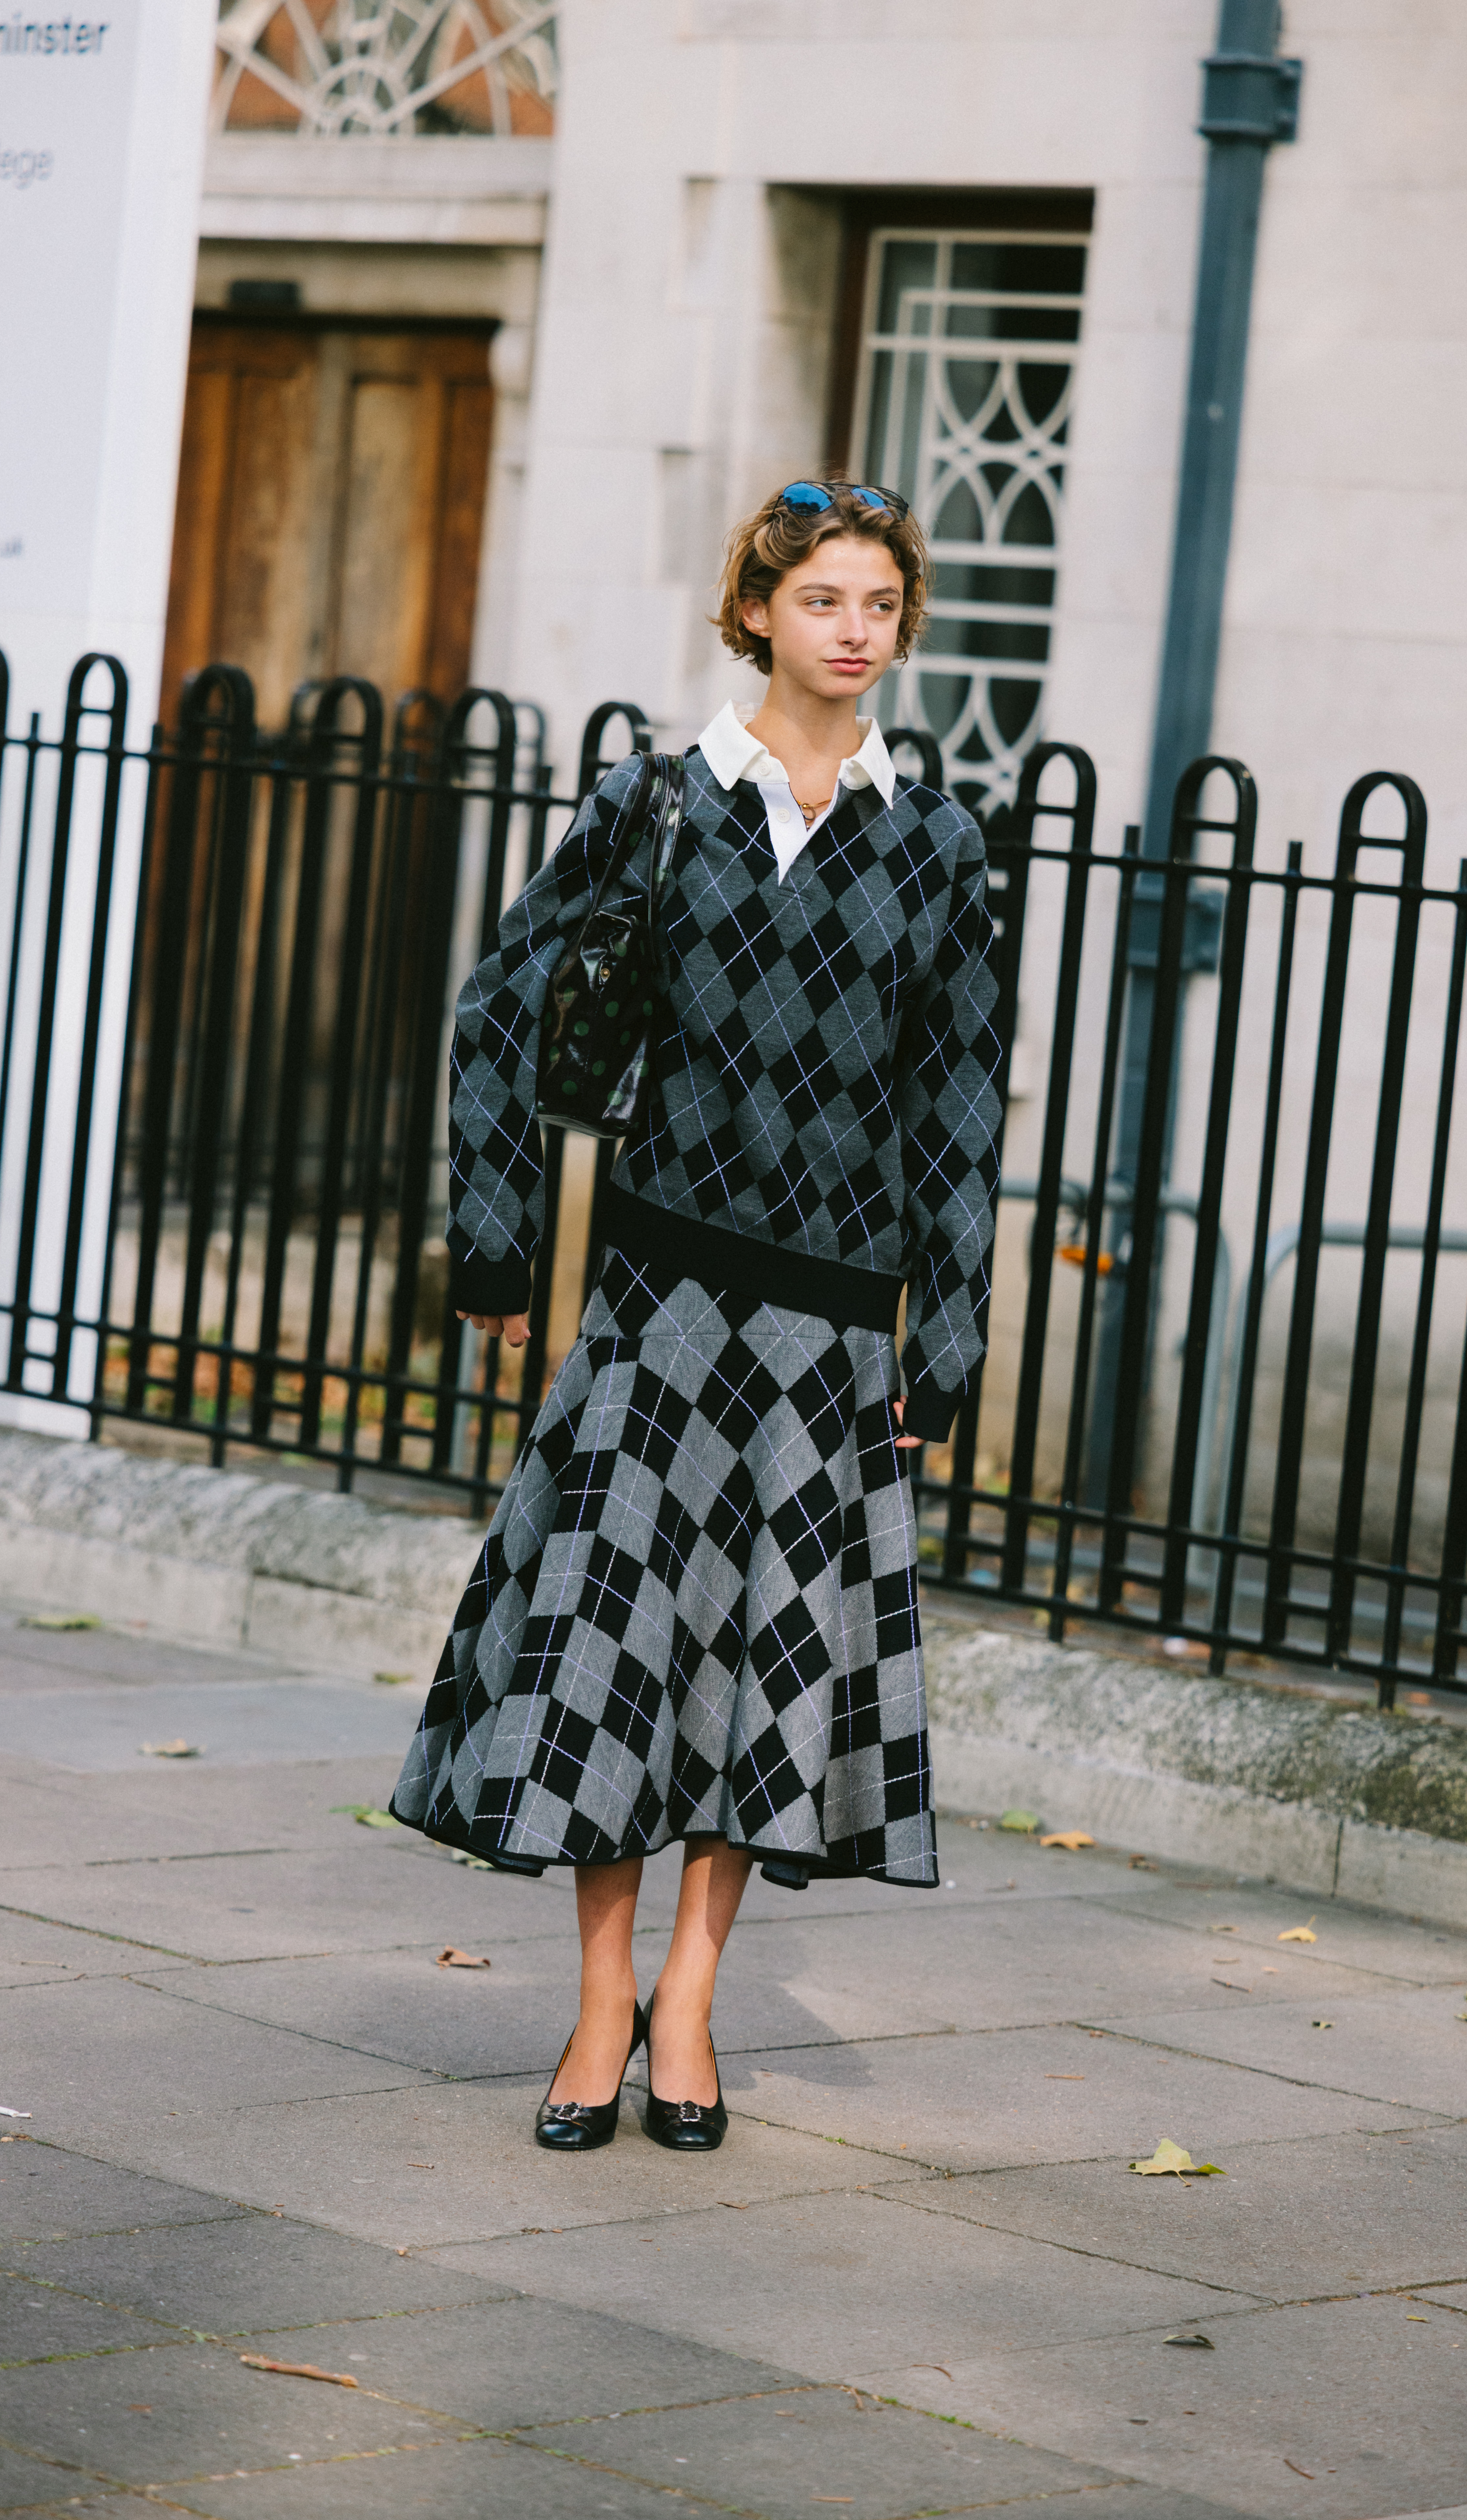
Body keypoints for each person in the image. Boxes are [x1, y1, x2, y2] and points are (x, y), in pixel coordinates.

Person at [390, 477, 1003, 2153]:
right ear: (755, 614)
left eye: (880, 603)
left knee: (763, 1663)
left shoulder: (938, 845)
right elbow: (500, 1010)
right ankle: (601, 1999)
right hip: (658, 1301)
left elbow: (958, 1105)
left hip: (827, 1330)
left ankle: (690, 1999)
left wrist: (945, 1333)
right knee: (619, 1653)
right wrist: (498, 1245)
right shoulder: (657, 802)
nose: (855, 630)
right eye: (823, 599)